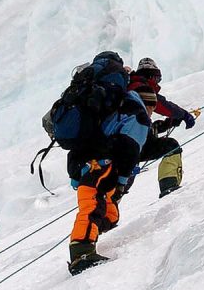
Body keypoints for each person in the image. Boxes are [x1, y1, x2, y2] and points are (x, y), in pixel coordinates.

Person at [66, 51, 153, 275]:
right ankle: (82, 252)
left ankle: (88, 235)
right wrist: (122, 180)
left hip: (82, 162)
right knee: (94, 204)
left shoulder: (88, 98)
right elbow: (131, 144)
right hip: (104, 162)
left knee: (108, 212)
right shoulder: (126, 100)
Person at [126, 57, 198, 198]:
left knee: (118, 184)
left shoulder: (129, 87)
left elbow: (138, 125)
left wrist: (166, 124)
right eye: (157, 79)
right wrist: (183, 115)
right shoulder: (140, 87)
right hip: (129, 146)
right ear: (152, 76)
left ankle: (104, 216)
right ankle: (169, 188)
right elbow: (163, 105)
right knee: (171, 146)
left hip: (124, 143)